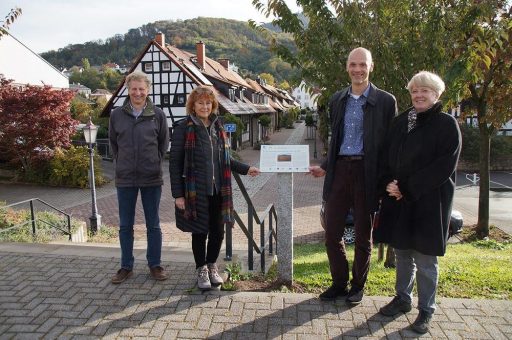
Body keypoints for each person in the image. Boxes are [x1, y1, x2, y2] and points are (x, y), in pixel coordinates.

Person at [309, 47, 397, 304]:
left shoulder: (386, 101)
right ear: (347, 67)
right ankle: (339, 283)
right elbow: (335, 139)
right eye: (353, 64)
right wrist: (325, 165)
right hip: (339, 171)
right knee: (332, 233)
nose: (357, 69)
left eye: (362, 64)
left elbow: (390, 145)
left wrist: (387, 179)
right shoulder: (337, 99)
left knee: (362, 234)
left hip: (367, 173)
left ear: (372, 67)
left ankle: (358, 286)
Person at [376, 71, 461, 334]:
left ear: (436, 95)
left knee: (425, 259)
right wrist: (388, 183)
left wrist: (406, 188)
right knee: (402, 252)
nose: (419, 95)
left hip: (428, 201)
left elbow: (443, 166)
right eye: (415, 91)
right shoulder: (401, 122)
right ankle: (403, 299)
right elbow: (386, 155)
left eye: (425, 91)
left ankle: (426, 310)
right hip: (400, 202)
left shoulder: (447, 125)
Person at [169, 85, 260, 290]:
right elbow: (175, 163)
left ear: (213, 104)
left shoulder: (218, 127)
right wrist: (178, 195)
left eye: (208, 102)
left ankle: (212, 266)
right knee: (199, 231)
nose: (204, 106)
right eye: (200, 102)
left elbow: (226, 160)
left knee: (218, 231)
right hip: (196, 191)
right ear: (193, 105)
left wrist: (247, 169)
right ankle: (201, 269)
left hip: (219, 190)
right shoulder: (183, 127)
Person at [108, 70, 169, 284]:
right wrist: (122, 162)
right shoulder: (116, 115)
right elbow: (113, 144)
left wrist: (154, 161)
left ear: (148, 90)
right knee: (125, 225)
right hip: (125, 179)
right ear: (128, 89)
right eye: (134, 88)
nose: (137, 92)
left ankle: (155, 265)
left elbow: (164, 143)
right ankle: (126, 267)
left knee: (153, 224)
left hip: (151, 177)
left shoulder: (158, 114)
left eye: (141, 89)